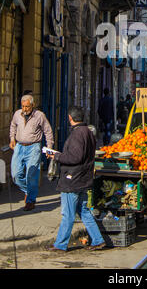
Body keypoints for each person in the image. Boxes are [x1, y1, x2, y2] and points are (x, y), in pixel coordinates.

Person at [46, 106, 106, 253]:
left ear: (70, 118)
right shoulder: (88, 132)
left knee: (68, 214)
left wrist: (57, 156)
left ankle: (60, 244)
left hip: (72, 180)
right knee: (84, 211)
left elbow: (75, 157)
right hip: (83, 179)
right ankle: (98, 240)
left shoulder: (77, 134)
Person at [9, 94, 54, 211]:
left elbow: (48, 131)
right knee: (15, 175)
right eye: (23, 106)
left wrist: (49, 148)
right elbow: (13, 126)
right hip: (19, 146)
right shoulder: (17, 114)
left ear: (32, 105)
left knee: (32, 175)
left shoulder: (39, 116)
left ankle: (30, 201)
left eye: (27, 106)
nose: (25, 109)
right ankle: (28, 191)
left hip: (33, 147)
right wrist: (12, 139)